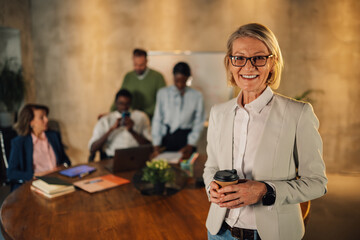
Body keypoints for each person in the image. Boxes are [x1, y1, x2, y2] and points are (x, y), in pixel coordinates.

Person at [203, 23, 327, 240]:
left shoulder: (298, 114)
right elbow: (211, 166)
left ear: (272, 63)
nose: (248, 67)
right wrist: (210, 187)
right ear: (230, 63)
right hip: (219, 232)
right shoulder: (218, 113)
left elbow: (317, 183)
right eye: (239, 58)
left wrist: (265, 190)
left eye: (259, 58)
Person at [7, 104, 71, 190]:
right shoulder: (19, 142)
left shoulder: (54, 136)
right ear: (30, 122)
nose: (47, 120)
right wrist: (36, 175)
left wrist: (62, 167)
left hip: (57, 181)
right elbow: (11, 173)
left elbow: (66, 161)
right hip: (34, 184)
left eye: (46, 116)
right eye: (42, 117)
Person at [152, 62, 205, 160]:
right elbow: (157, 119)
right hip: (167, 138)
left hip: (186, 138)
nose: (180, 84)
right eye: (177, 81)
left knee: (186, 171)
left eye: (183, 81)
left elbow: (199, 122)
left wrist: (191, 144)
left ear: (188, 78)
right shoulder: (163, 93)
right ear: (173, 77)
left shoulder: (197, 96)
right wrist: (156, 144)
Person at [89, 89, 151, 158]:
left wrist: (132, 131)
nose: (124, 107)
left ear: (131, 103)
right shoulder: (106, 120)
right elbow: (92, 149)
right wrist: (112, 129)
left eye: (127, 104)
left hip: (135, 157)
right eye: (121, 103)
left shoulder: (141, 117)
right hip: (112, 158)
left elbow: (149, 146)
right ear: (115, 103)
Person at [114, 48, 166, 120]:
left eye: (141, 65)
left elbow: (163, 100)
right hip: (131, 119)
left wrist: (145, 114)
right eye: (135, 64)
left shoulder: (157, 77)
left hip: (151, 119)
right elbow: (120, 97)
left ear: (146, 61)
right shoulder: (128, 76)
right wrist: (111, 113)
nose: (138, 68)